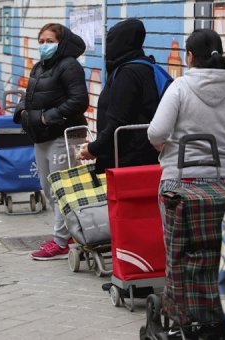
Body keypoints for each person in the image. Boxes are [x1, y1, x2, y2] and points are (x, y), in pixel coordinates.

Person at [13, 23, 89, 260]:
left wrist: (47, 117)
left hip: (63, 135)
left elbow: (79, 100)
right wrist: (21, 111)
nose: (44, 45)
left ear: (61, 42)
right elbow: (30, 96)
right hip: (42, 136)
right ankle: (72, 234)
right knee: (49, 190)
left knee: (62, 190)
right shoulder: (40, 66)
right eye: (41, 41)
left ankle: (61, 242)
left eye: (49, 41)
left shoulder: (69, 66)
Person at [147, 28, 225, 196]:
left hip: (180, 180)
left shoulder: (179, 87)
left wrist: (161, 144)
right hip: (223, 180)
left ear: (190, 56)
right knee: (218, 223)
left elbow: (156, 133)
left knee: (177, 223)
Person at [77, 19, 160, 173]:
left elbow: (118, 124)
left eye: (111, 40)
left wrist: (93, 149)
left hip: (127, 163)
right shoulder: (144, 67)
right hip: (143, 157)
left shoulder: (128, 74)